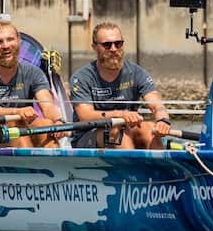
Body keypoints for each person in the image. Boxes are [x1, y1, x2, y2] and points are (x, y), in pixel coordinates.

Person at [69, 21, 172, 150]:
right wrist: (120, 114)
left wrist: (163, 121)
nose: (113, 49)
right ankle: (129, 167)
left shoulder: (136, 72)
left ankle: (160, 169)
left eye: (118, 44)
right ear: (94, 48)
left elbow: (156, 104)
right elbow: (85, 115)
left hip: (125, 128)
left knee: (149, 129)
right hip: (89, 134)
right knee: (118, 133)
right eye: (107, 45)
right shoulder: (81, 77)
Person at [0, 21, 67, 148]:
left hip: (21, 129)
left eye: (10, 39)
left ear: (19, 41)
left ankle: (52, 165)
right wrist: (18, 112)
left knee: (45, 125)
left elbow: (47, 106)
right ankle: (29, 165)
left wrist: (58, 121)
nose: (6, 46)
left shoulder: (33, 72)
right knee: (16, 126)